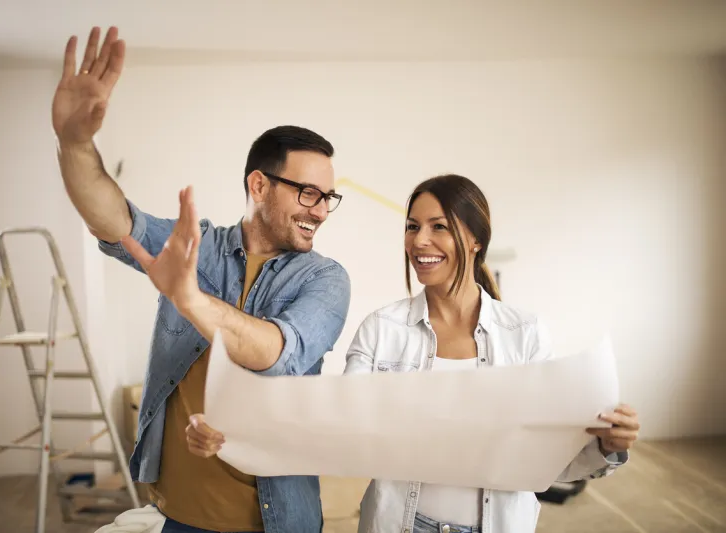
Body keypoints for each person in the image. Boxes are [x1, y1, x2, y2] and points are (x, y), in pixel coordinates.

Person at [52, 26, 351, 533]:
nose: (320, 210)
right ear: (259, 184)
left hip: (275, 522)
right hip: (175, 516)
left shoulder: (325, 279)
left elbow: (276, 352)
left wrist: (189, 297)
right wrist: (74, 143)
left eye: (327, 197)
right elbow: (112, 220)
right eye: (307, 193)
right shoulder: (200, 247)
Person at [343, 174, 640, 533]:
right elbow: (347, 434)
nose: (419, 240)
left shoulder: (524, 335)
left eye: (439, 226)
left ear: (475, 240)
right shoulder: (380, 329)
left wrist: (606, 446)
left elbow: (546, 462)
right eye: (412, 226)